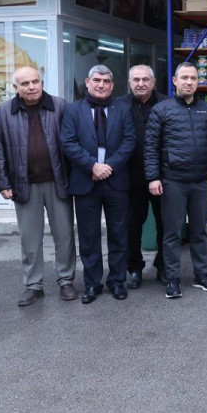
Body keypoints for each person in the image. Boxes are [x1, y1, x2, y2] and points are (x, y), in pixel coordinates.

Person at [0, 66, 77, 306]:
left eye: (35, 82)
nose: (31, 87)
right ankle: (33, 285)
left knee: (64, 235)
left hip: (58, 181)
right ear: (15, 88)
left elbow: (72, 141)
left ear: (41, 82)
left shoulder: (60, 106)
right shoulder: (3, 113)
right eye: (25, 83)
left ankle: (66, 280)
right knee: (30, 238)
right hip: (24, 183)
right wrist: (3, 183)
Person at [144, 62, 207, 299]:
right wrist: (153, 177)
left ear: (198, 82)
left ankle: (202, 275)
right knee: (172, 233)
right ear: (175, 81)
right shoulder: (161, 109)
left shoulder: (206, 110)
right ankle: (172, 279)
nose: (189, 82)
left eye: (193, 78)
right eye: (185, 78)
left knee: (200, 232)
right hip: (173, 181)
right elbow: (151, 146)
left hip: (201, 181)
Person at [60, 64, 137, 304]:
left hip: (116, 181)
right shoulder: (73, 110)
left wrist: (108, 167)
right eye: (97, 80)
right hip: (86, 181)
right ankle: (92, 284)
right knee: (89, 236)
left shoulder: (123, 109)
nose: (101, 85)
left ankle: (117, 281)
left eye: (106, 81)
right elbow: (68, 142)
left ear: (112, 85)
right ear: (87, 82)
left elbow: (129, 141)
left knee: (119, 234)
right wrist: (92, 166)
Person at [120, 64, 166, 288]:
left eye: (145, 79)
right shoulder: (119, 106)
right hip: (131, 176)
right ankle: (135, 268)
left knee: (165, 224)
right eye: (136, 80)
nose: (140, 83)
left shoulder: (167, 104)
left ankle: (163, 267)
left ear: (153, 82)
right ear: (129, 83)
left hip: (162, 176)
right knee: (131, 226)